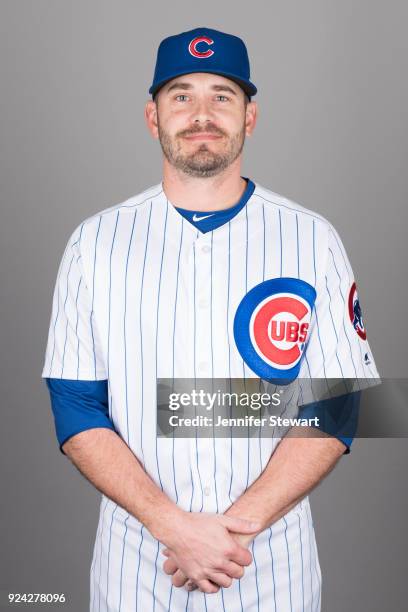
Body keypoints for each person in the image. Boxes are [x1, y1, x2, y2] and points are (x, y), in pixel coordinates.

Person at [41, 27, 380, 612]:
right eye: (181, 95)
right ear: (153, 117)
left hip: (271, 567)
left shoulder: (311, 238)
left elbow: (339, 405)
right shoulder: (93, 243)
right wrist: (173, 526)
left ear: (250, 117)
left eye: (222, 95)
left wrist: (232, 534)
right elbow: (75, 404)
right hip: (137, 567)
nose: (202, 113)